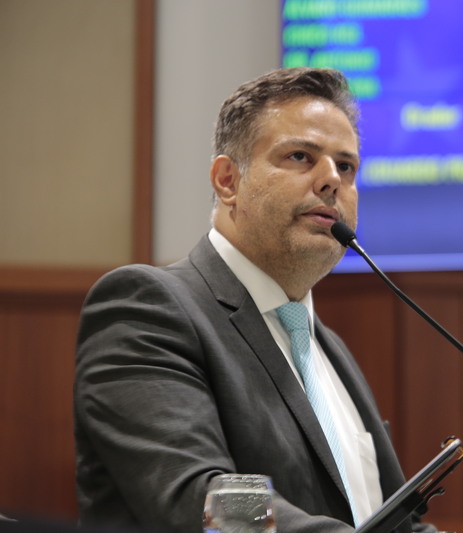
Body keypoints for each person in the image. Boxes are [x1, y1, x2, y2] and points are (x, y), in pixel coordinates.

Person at [74, 67, 430, 533]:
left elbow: (393, 522)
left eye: (346, 166)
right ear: (228, 181)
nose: (331, 180)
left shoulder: (329, 349)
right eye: (301, 156)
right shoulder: (148, 309)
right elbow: (205, 497)